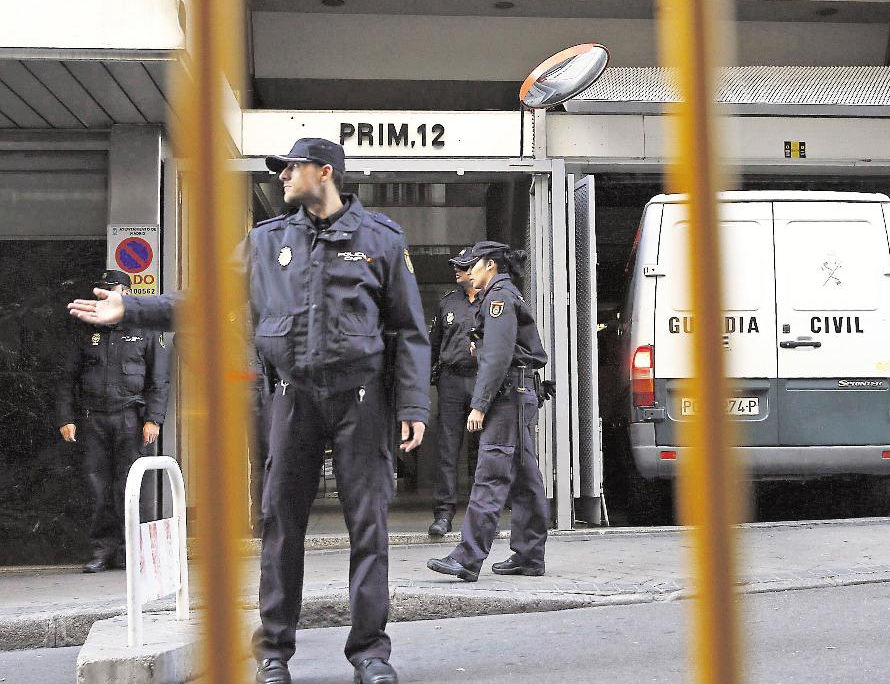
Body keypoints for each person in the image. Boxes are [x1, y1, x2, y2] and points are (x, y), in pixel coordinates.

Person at [68, 138, 431, 684]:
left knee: (368, 528)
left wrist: (413, 403)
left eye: (291, 167)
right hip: (290, 399)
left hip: (363, 401)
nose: (282, 176)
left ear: (324, 172)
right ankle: (274, 654)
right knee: (281, 525)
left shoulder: (381, 239)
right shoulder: (266, 242)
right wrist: (132, 309)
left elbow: (408, 330)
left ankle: (370, 655)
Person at [427, 240, 549, 582]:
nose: (468, 271)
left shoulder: (498, 298)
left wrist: (479, 405)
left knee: (491, 473)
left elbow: (496, 357)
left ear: (490, 266)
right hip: (520, 391)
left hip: (508, 395)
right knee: (525, 476)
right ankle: (529, 554)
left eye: (473, 265)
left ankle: (467, 558)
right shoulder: (507, 294)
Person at [55, 269, 171, 573]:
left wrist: (154, 419)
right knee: (97, 487)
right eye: (103, 291)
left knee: (130, 486)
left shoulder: (145, 328)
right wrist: (66, 416)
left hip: (130, 418)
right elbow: (67, 378)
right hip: (94, 418)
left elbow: (159, 379)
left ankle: (130, 551)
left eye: (114, 291)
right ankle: (102, 550)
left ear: (126, 294)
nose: (107, 296)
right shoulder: (85, 329)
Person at [426, 248, 483, 538]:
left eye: (462, 266)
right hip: (450, 382)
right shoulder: (447, 303)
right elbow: (433, 346)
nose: (456, 270)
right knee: (448, 450)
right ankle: (444, 514)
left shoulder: (491, 301)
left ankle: (477, 515)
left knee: (480, 450)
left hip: (480, 382)